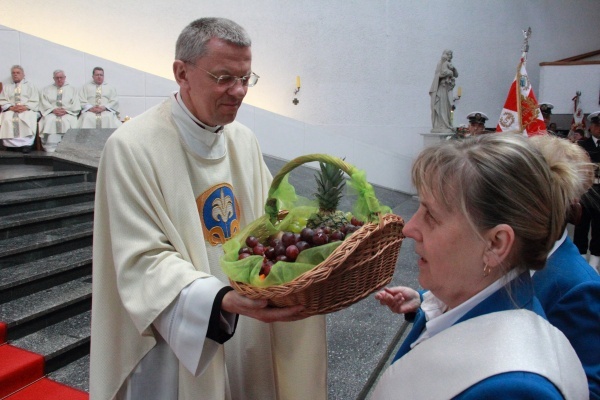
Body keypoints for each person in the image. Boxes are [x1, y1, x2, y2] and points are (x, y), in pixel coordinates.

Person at [89, 17, 327, 400]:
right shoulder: (131, 147)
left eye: (246, 78)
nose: (239, 91)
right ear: (181, 73)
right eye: (224, 78)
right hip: (177, 338)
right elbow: (140, 261)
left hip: (248, 323)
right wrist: (219, 301)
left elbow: (276, 222)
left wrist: (321, 239)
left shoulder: (243, 141)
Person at [371, 134, 587, 399]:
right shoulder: (459, 301)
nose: (409, 228)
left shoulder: (514, 390)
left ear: (496, 244)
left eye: (431, 216)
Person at [574, 111, 600, 272]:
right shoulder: (582, 146)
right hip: (586, 191)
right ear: (591, 127)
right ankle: (580, 256)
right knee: (581, 225)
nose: (599, 129)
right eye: (596, 125)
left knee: (599, 227)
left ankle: (595, 259)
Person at [38, 70, 81, 152]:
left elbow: (75, 103)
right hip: (52, 113)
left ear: (65, 78)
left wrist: (66, 110)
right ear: (53, 78)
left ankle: (69, 147)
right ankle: (51, 147)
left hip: (67, 113)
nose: (59, 80)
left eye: (61, 77)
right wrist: (53, 110)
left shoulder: (72, 89)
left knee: (69, 121)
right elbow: (44, 102)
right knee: (49, 120)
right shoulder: (47, 89)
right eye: (57, 78)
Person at [0, 65, 40, 152]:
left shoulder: (30, 86)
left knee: (28, 117)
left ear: (23, 74)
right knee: (6, 118)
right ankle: (10, 145)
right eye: (13, 73)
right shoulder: (7, 87)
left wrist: (25, 107)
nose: (15, 74)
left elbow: (35, 99)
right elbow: (2, 99)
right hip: (11, 109)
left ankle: (27, 145)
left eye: (18, 73)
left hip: (26, 109)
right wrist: (11, 107)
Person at [429, 49, 458, 133]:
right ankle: (440, 125)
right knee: (441, 106)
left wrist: (453, 69)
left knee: (447, 106)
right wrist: (448, 73)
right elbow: (438, 74)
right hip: (441, 88)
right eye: (448, 54)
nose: (450, 56)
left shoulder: (449, 64)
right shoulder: (440, 63)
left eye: (451, 55)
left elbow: (456, 74)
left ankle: (446, 124)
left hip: (447, 89)